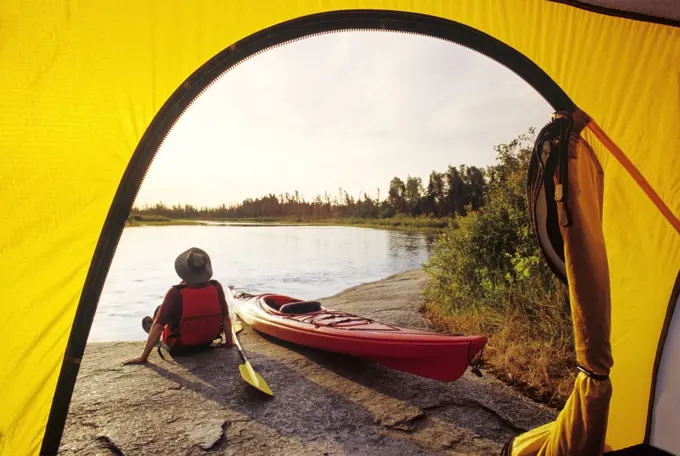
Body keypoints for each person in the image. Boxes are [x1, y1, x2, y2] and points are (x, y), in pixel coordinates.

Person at [123, 247, 234, 365]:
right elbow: (226, 319)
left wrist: (143, 357)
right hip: (207, 341)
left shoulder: (175, 292)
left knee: (160, 311)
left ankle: (154, 335)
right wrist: (228, 343)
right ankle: (155, 333)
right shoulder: (217, 287)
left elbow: (158, 326)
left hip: (180, 347)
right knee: (165, 310)